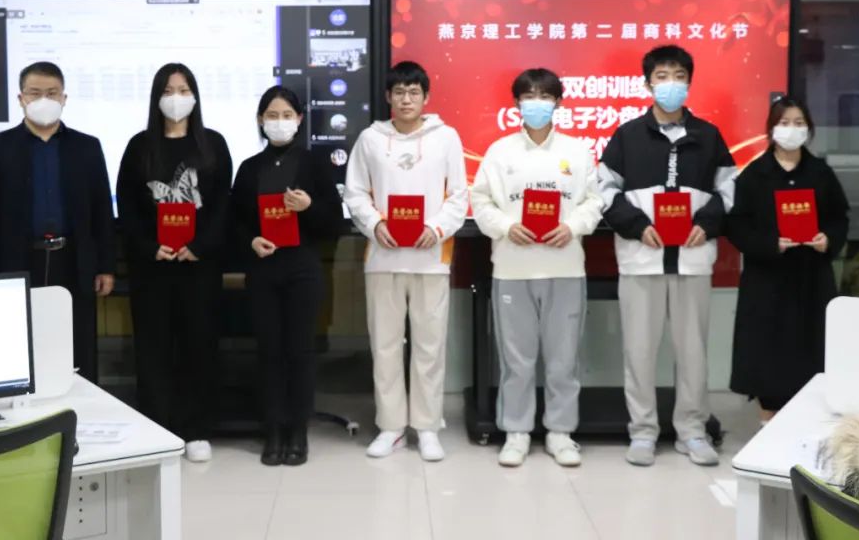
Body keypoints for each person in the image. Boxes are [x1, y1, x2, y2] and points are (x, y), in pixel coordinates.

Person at [599, 45, 737, 468]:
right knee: (638, 351)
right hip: (641, 258)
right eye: (662, 76)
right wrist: (637, 224)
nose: (670, 84)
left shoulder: (708, 136)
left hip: (692, 260)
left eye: (678, 76)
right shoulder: (627, 136)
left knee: (693, 352)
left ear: (689, 83)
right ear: (648, 83)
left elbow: (730, 188)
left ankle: (692, 430)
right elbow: (604, 190)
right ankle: (642, 431)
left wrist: (708, 222)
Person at [471, 68, 604, 468]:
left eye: (545, 96)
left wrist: (572, 227)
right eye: (529, 96)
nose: (537, 103)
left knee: (564, 359)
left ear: (558, 102)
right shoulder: (499, 152)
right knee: (517, 360)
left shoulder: (577, 151)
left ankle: (561, 433)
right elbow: (481, 201)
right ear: (517, 103)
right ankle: (516, 431)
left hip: (565, 268)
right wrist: (506, 226)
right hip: (513, 269)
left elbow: (594, 201)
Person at [344, 61, 468, 462]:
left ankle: (427, 427)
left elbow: (459, 195)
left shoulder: (446, 137)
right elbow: (355, 192)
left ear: (426, 97)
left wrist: (437, 227)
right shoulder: (370, 139)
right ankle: (391, 427)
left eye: (414, 92)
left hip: (431, 257)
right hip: (383, 258)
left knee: (430, 346)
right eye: (399, 92)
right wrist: (374, 223)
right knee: (385, 346)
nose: (406, 99)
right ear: (388, 97)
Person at [0, 61, 115, 384]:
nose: (44, 100)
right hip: (17, 262)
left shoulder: (87, 147)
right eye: (35, 93)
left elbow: (101, 210)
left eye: (52, 93)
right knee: (21, 345)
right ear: (21, 98)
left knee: (77, 347)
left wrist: (105, 266)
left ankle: (82, 407)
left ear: (64, 98)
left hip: (73, 260)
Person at [116, 63, 232, 463]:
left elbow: (223, 205)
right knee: (153, 349)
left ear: (195, 96)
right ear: (156, 97)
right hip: (153, 268)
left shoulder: (213, 145)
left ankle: (196, 429)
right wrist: (151, 247)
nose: (176, 98)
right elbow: (128, 207)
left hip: (199, 266)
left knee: (199, 345)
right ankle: (158, 429)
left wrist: (200, 245)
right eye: (168, 91)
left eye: (183, 90)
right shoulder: (139, 146)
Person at [231, 87, 342, 467]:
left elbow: (334, 223)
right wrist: (251, 240)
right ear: (260, 121)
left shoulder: (314, 164)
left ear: (299, 119)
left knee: (300, 351)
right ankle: (273, 430)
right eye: (272, 116)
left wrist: (309, 207)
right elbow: (235, 222)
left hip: (303, 268)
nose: (279, 122)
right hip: (264, 269)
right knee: (269, 351)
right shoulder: (249, 168)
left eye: (286, 115)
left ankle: (298, 430)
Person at [728, 97, 849, 422]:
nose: (791, 130)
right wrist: (769, 244)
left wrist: (828, 239)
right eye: (784, 123)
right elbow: (736, 225)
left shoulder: (821, 173)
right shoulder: (754, 174)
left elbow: (839, 218)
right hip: (767, 279)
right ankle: (768, 421)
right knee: (767, 352)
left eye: (798, 123)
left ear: (809, 129)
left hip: (812, 277)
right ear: (771, 129)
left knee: (812, 349)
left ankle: (809, 422)